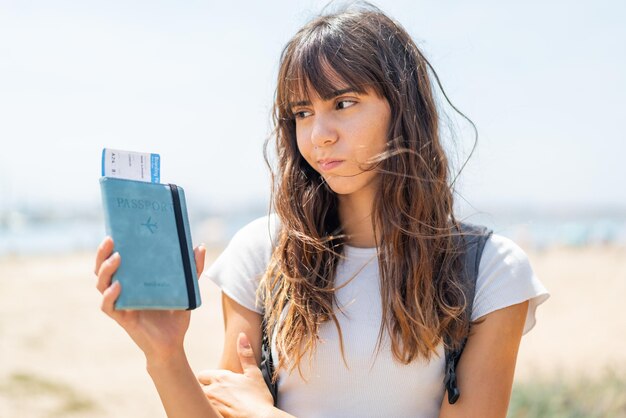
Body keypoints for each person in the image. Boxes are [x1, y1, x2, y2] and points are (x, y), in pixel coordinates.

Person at [94, 3, 549, 417]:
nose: (319, 134)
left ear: (404, 108)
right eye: (302, 112)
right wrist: (167, 357)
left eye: (343, 103)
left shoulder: (488, 271)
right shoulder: (265, 253)